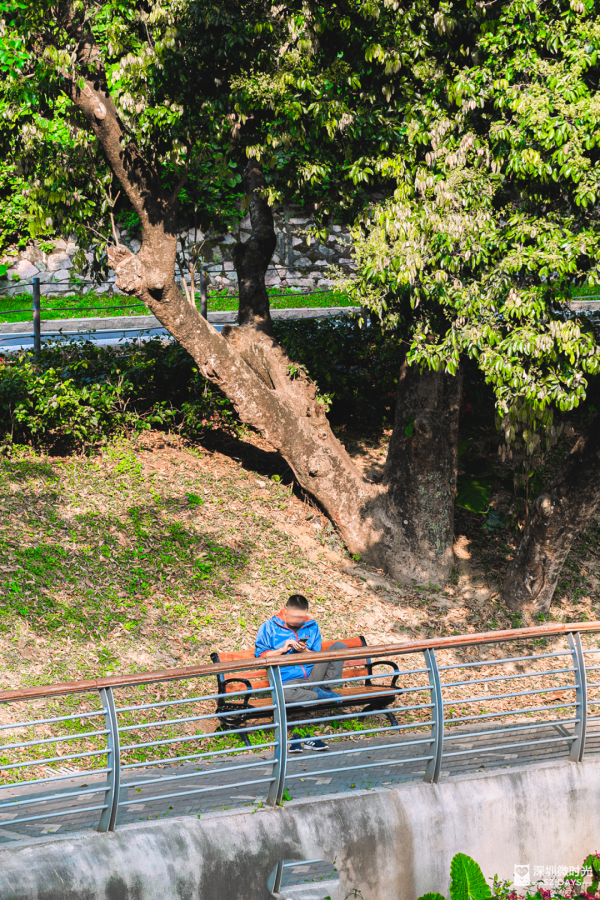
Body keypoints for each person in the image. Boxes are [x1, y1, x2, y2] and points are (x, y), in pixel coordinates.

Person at [255, 594, 348, 752]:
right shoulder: (269, 627)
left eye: (301, 617)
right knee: (283, 694)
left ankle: (326, 688)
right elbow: (261, 657)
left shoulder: (311, 626)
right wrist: (281, 650)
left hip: (313, 675)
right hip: (287, 681)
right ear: (285, 611)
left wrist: (305, 651)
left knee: (339, 646)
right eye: (294, 616)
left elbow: (317, 655)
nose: (298, 620)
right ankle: (321, 695)